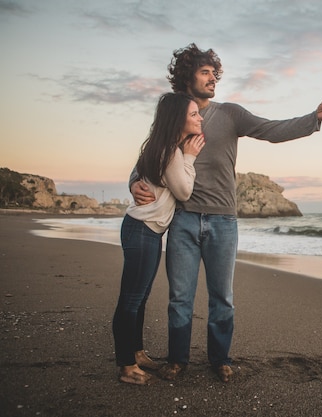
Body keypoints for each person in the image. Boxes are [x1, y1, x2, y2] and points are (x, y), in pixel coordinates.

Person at [130, 43, 322, 383]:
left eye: (215, 73)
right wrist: (133, 181)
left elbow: (272, 130)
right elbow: (148, 156)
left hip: (223, 220)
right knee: (179, 297)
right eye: (205, 72)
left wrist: (314, 119)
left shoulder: (230, 114)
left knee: (222, 298)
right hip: (182, 219)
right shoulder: (173, 117)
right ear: (187, 76)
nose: (213, 79)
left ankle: (220, 358)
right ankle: (178, 359)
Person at [113, 92, 206, 385]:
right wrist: (190, 158)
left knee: (139, 299)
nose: (200, 118)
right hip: (143, 230)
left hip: (144, 229)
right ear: (179, 119)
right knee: (130, 300)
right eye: (194, 114)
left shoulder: (161, 146)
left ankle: (137, 352)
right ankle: (126, 366)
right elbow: (184, 192)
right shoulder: (172, 152)